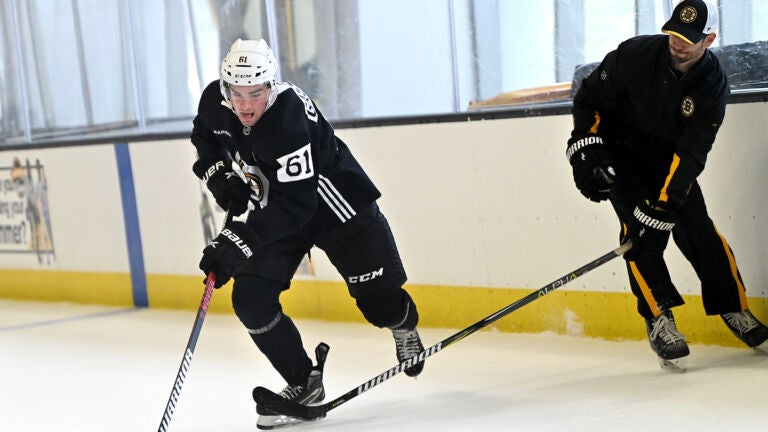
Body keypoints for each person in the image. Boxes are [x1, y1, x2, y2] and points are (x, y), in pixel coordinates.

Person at [190, 39, 425, 427]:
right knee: (250, 300)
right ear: (224, 87)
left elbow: (298, 205)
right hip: (279, 209)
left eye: (256, 93)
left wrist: (238, 240)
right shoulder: (214, 102)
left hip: (335, 206)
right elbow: (206, 138)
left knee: (379, 305)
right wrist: (219, 177)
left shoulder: (286, 116)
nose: (246, 104)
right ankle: (304, 381)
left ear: (271, 86)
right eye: (237, 93)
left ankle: (403, 324)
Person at [566, 0, 768, 372]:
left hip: (671, 158)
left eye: (688, 38)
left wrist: (665, 203)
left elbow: (693, 151)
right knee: (640, 234)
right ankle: (659, 318)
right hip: (620, 153)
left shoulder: (712, 85)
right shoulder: (635, 54)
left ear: (709, 39)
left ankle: (734, 307)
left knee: (700, 230)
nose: (677, 43)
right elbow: (589, 98)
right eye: (674, 33)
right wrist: (584, 146)